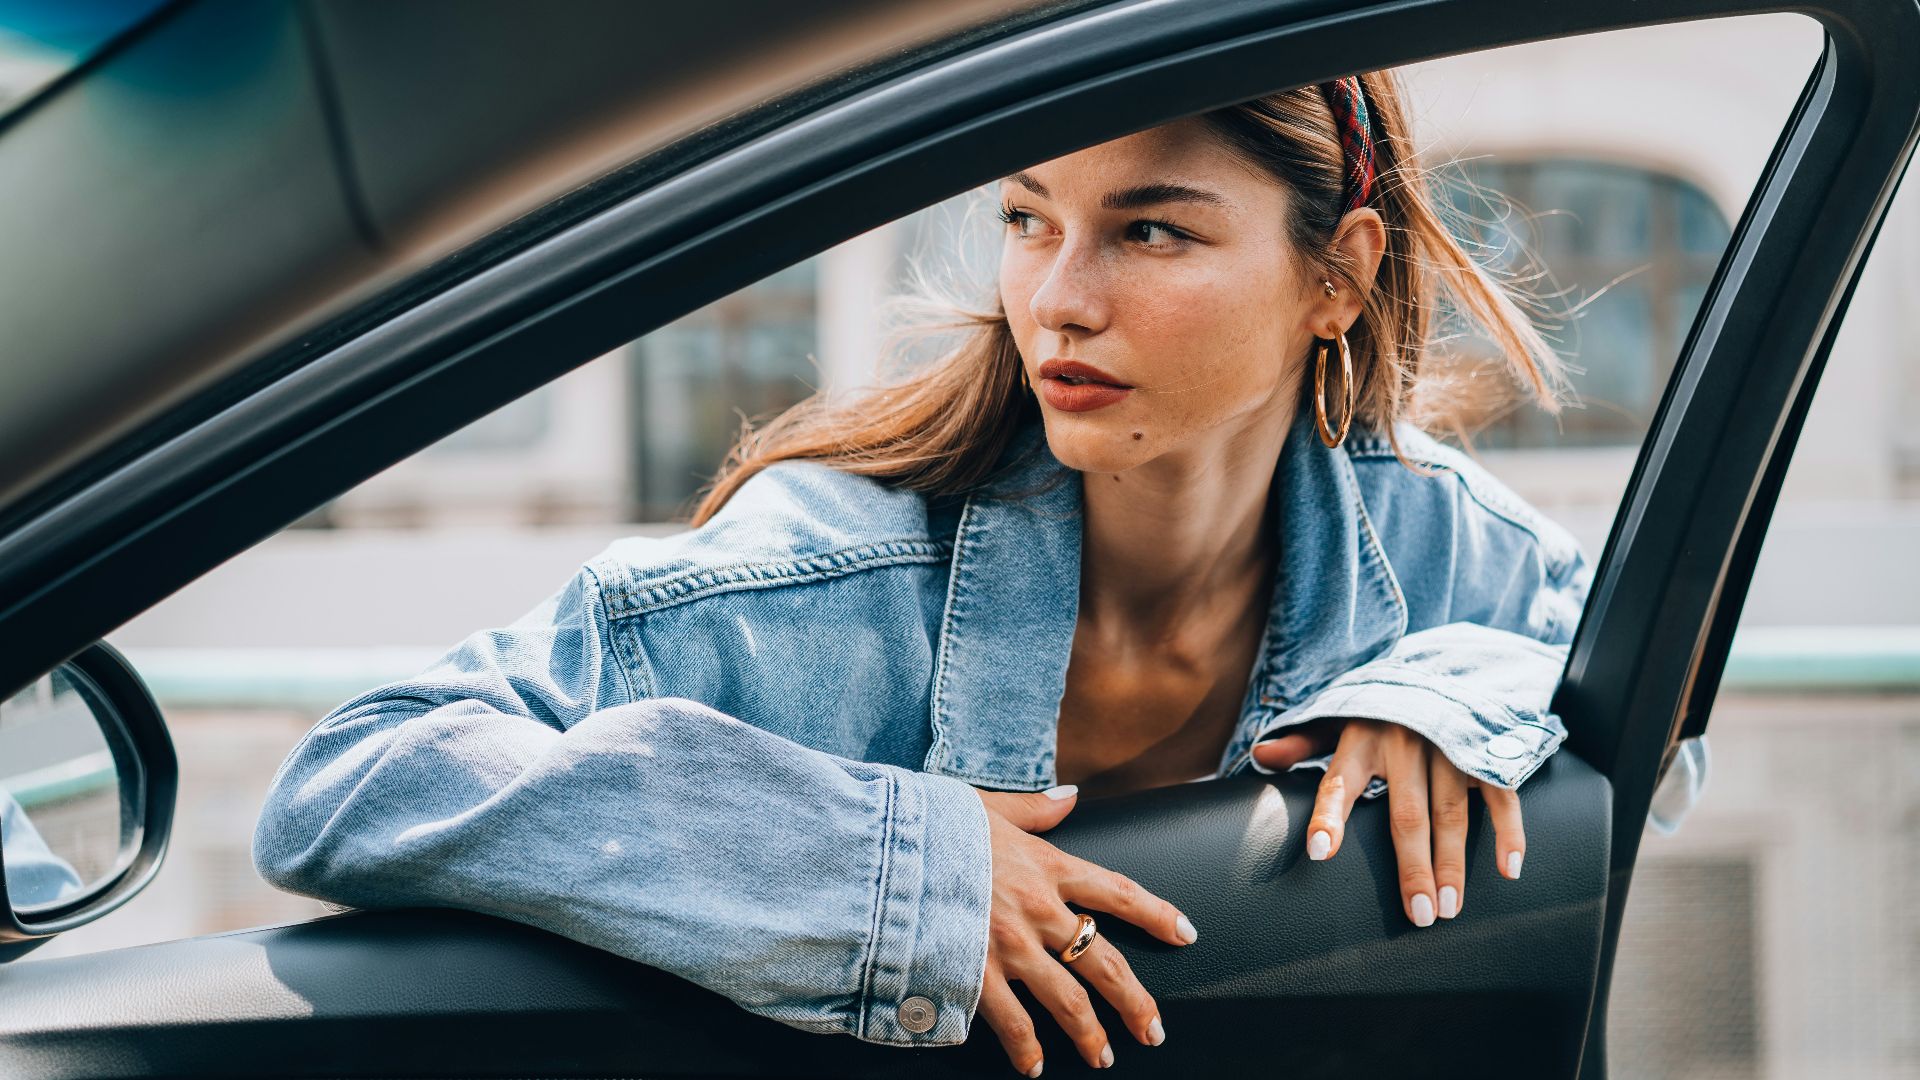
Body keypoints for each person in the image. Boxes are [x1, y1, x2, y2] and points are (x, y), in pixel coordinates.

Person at [253, 70, 1593, 1078]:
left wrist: (1454, 694)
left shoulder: (1450, 552)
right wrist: (899, 868)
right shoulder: (817, 582)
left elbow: (1627, 693)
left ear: (1338, 277)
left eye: (1152, 233)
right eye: (1028, 216)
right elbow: (352, 780)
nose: (1058, 298)